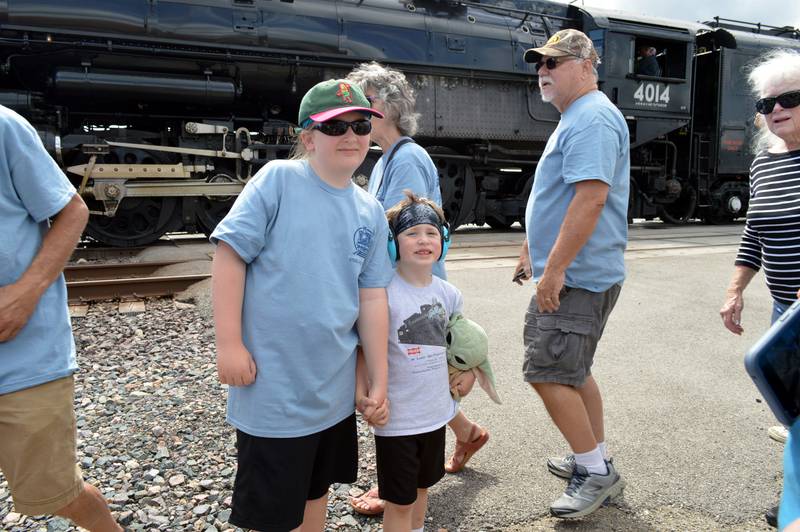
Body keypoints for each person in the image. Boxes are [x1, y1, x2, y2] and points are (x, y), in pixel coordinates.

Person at [210, 79, 393, 532]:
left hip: (330, 393)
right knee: (272, 513)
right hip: (274, 392)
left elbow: (371, 298)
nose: (351, 136)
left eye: (360, 125)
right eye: (335, 128)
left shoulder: (369, 209)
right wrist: (229, 344)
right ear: (308, 138)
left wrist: (378, 377)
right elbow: (229, 255)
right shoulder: (279, 180)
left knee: (318, 491)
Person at [346, 62, 489, 516]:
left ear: (384, 107)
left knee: (409, 381)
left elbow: (396, 233)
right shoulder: (389, 156)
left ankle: (396, 485)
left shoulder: (405, 157)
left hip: (414, 295)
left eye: (362, 102)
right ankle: (463, 435)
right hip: (411, 293)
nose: (353, 114)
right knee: (419, 381)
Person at [516, 29, 630, 518]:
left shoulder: (592, 118)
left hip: (578, 277)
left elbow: (591, 197)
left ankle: (596, 473)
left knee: (547, 372)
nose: (544, 72)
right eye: (540, 64)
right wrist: (531, 251)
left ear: (586, 66)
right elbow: (560, 196)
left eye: (554, 63)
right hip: (575, 271)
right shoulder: (578, 116)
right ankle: (594, 456)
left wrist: (554, 270)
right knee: (574, 371)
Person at [0, 106, 122, 531]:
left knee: (56, 493)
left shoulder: (3, 126)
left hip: (20, 361)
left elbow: (72, 210)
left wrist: (24, 293)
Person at [719, 48, 800, 529]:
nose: (774, 110)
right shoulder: (765, 166)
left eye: (788, 98)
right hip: (785, 313)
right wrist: (735, 289)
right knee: (793, 412)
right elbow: (755, 233)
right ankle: (794, 494)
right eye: (765, 104)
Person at [358, 191, 462, 531]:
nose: (423, 240)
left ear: (443, 241)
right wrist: (364, 396)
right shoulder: (382, 293)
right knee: (399, 502)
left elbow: (462, 346)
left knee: (421, 490)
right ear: (393, 244)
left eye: (432, 233)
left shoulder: (449, 294)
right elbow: (362, 351)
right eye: (412, 233)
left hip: (435, 415)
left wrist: (469, 373)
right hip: (398, 422)